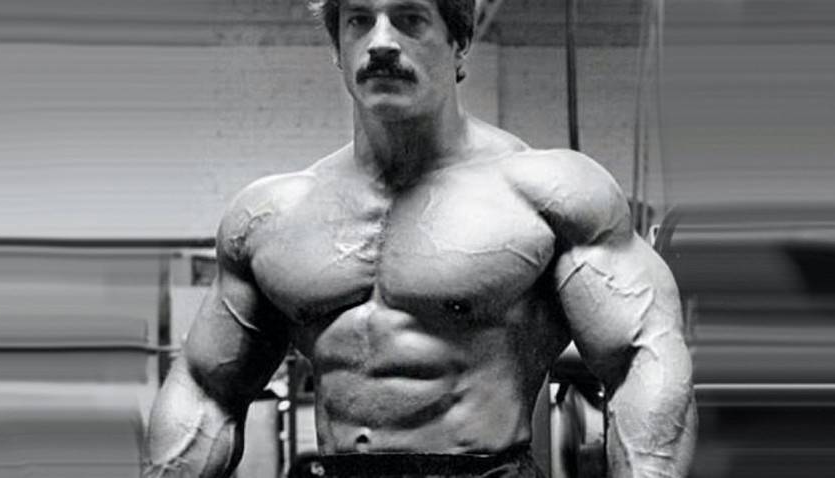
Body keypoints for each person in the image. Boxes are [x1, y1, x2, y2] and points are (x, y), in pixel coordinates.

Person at [142, 0, 697, 476]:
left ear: (459, 44)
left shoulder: (550, 194)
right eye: (359, 20)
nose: (381, 42)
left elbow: (642, 361)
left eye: (410, 19)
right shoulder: (270, 216)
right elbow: (206, 391)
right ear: (337, 48)